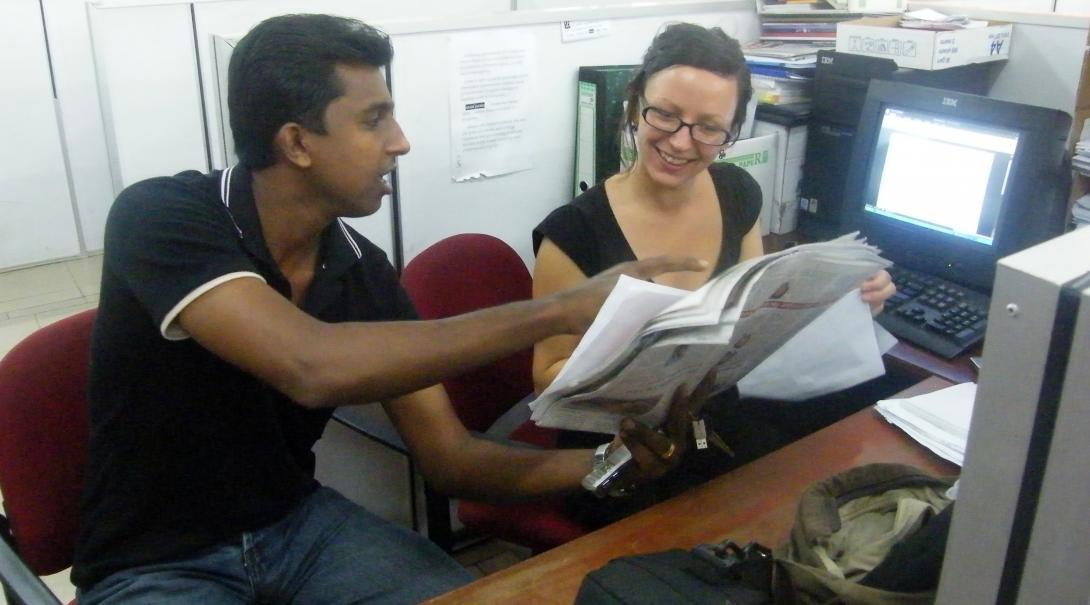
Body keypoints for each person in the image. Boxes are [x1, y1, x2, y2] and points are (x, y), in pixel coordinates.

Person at [71, 14, 710, 605]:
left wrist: (610, 464)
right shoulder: (164, 216)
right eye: (374, 120)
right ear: (297, 142)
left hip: (297, 526)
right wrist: (559, 311)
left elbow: (451, 458)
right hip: (155, 560)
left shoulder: (359, 270)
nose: (399, 142)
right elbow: (309, 364)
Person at [532, 23, 896, 520]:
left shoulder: (737, 193)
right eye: (665, 114)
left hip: (715, 428)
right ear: (635, 103)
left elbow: (754, 313)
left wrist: (843, 300)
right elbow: (547, 378)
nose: (682, 142)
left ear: (731, 132)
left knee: (830, 467)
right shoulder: (573, 234)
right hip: (626, 453)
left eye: (708, 127)